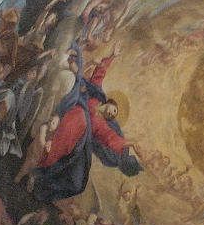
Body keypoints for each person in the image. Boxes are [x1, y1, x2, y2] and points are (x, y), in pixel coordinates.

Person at [32, 44, 143, 202]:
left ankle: (42, 185)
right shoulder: (96, 96)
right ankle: (41, 167)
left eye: (113, 115)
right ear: (109, 102)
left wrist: (129, 143)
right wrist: (112, 56)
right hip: (74, 114)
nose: (111, 113)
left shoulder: (102, 125)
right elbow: (99, 74)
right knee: (73, 124)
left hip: (80, 136)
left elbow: (109, 137)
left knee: (78, 183)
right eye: (113, 110)